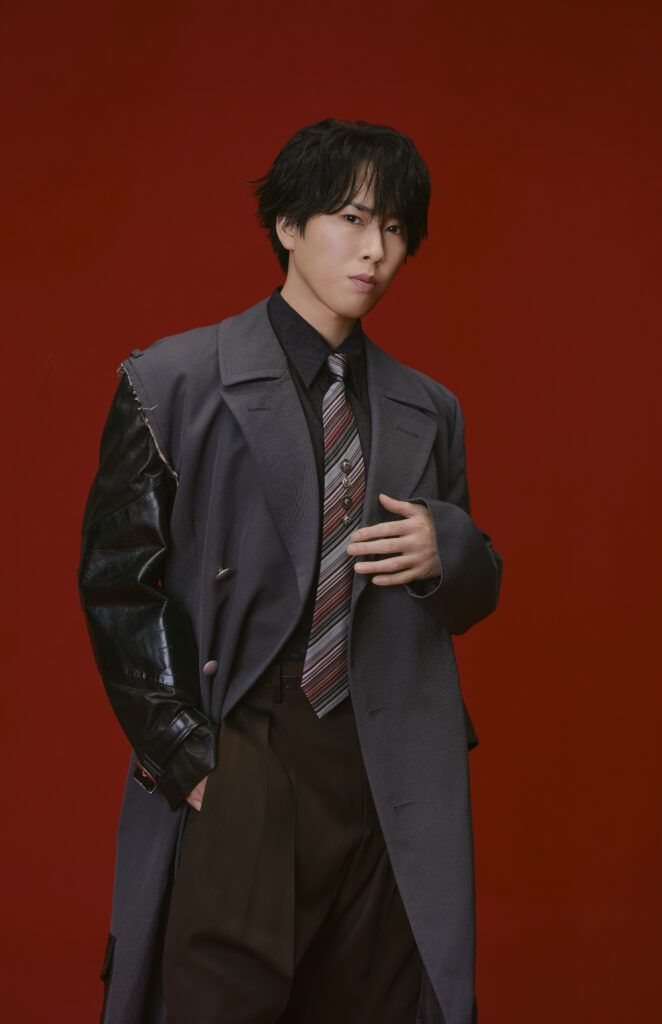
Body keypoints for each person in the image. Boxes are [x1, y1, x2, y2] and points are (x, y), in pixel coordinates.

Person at [77, 117, 503, 1024]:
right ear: (288, 225)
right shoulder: (173, 381)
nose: (375, 250)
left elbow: (475, 594)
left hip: (387, 761)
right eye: (353, 219)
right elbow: (117, 584)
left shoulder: (429, 407)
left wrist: (448, 550)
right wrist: (188, 758)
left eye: (395, 228)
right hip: (245, 743)